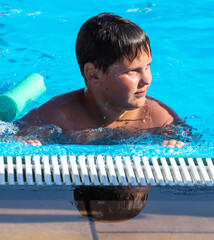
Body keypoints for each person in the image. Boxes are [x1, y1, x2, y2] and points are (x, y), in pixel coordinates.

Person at [18, 13, 188, 147]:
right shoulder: (59, 114)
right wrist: (24, 143)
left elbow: (190, 142)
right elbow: (12, 136)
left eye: (147, 66)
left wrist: (176, 144)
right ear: (93, 74)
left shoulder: (160, 118)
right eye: (132, 72)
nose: (146, 79)